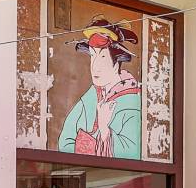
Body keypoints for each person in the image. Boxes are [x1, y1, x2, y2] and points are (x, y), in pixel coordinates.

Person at [58, 18, 143, 159]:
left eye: (103, 57)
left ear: (116, 64)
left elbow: (133, 152)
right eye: (92, 56)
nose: (95, 66)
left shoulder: (131, 101)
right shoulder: (90, 98)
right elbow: (65, 142)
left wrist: (105, 130)